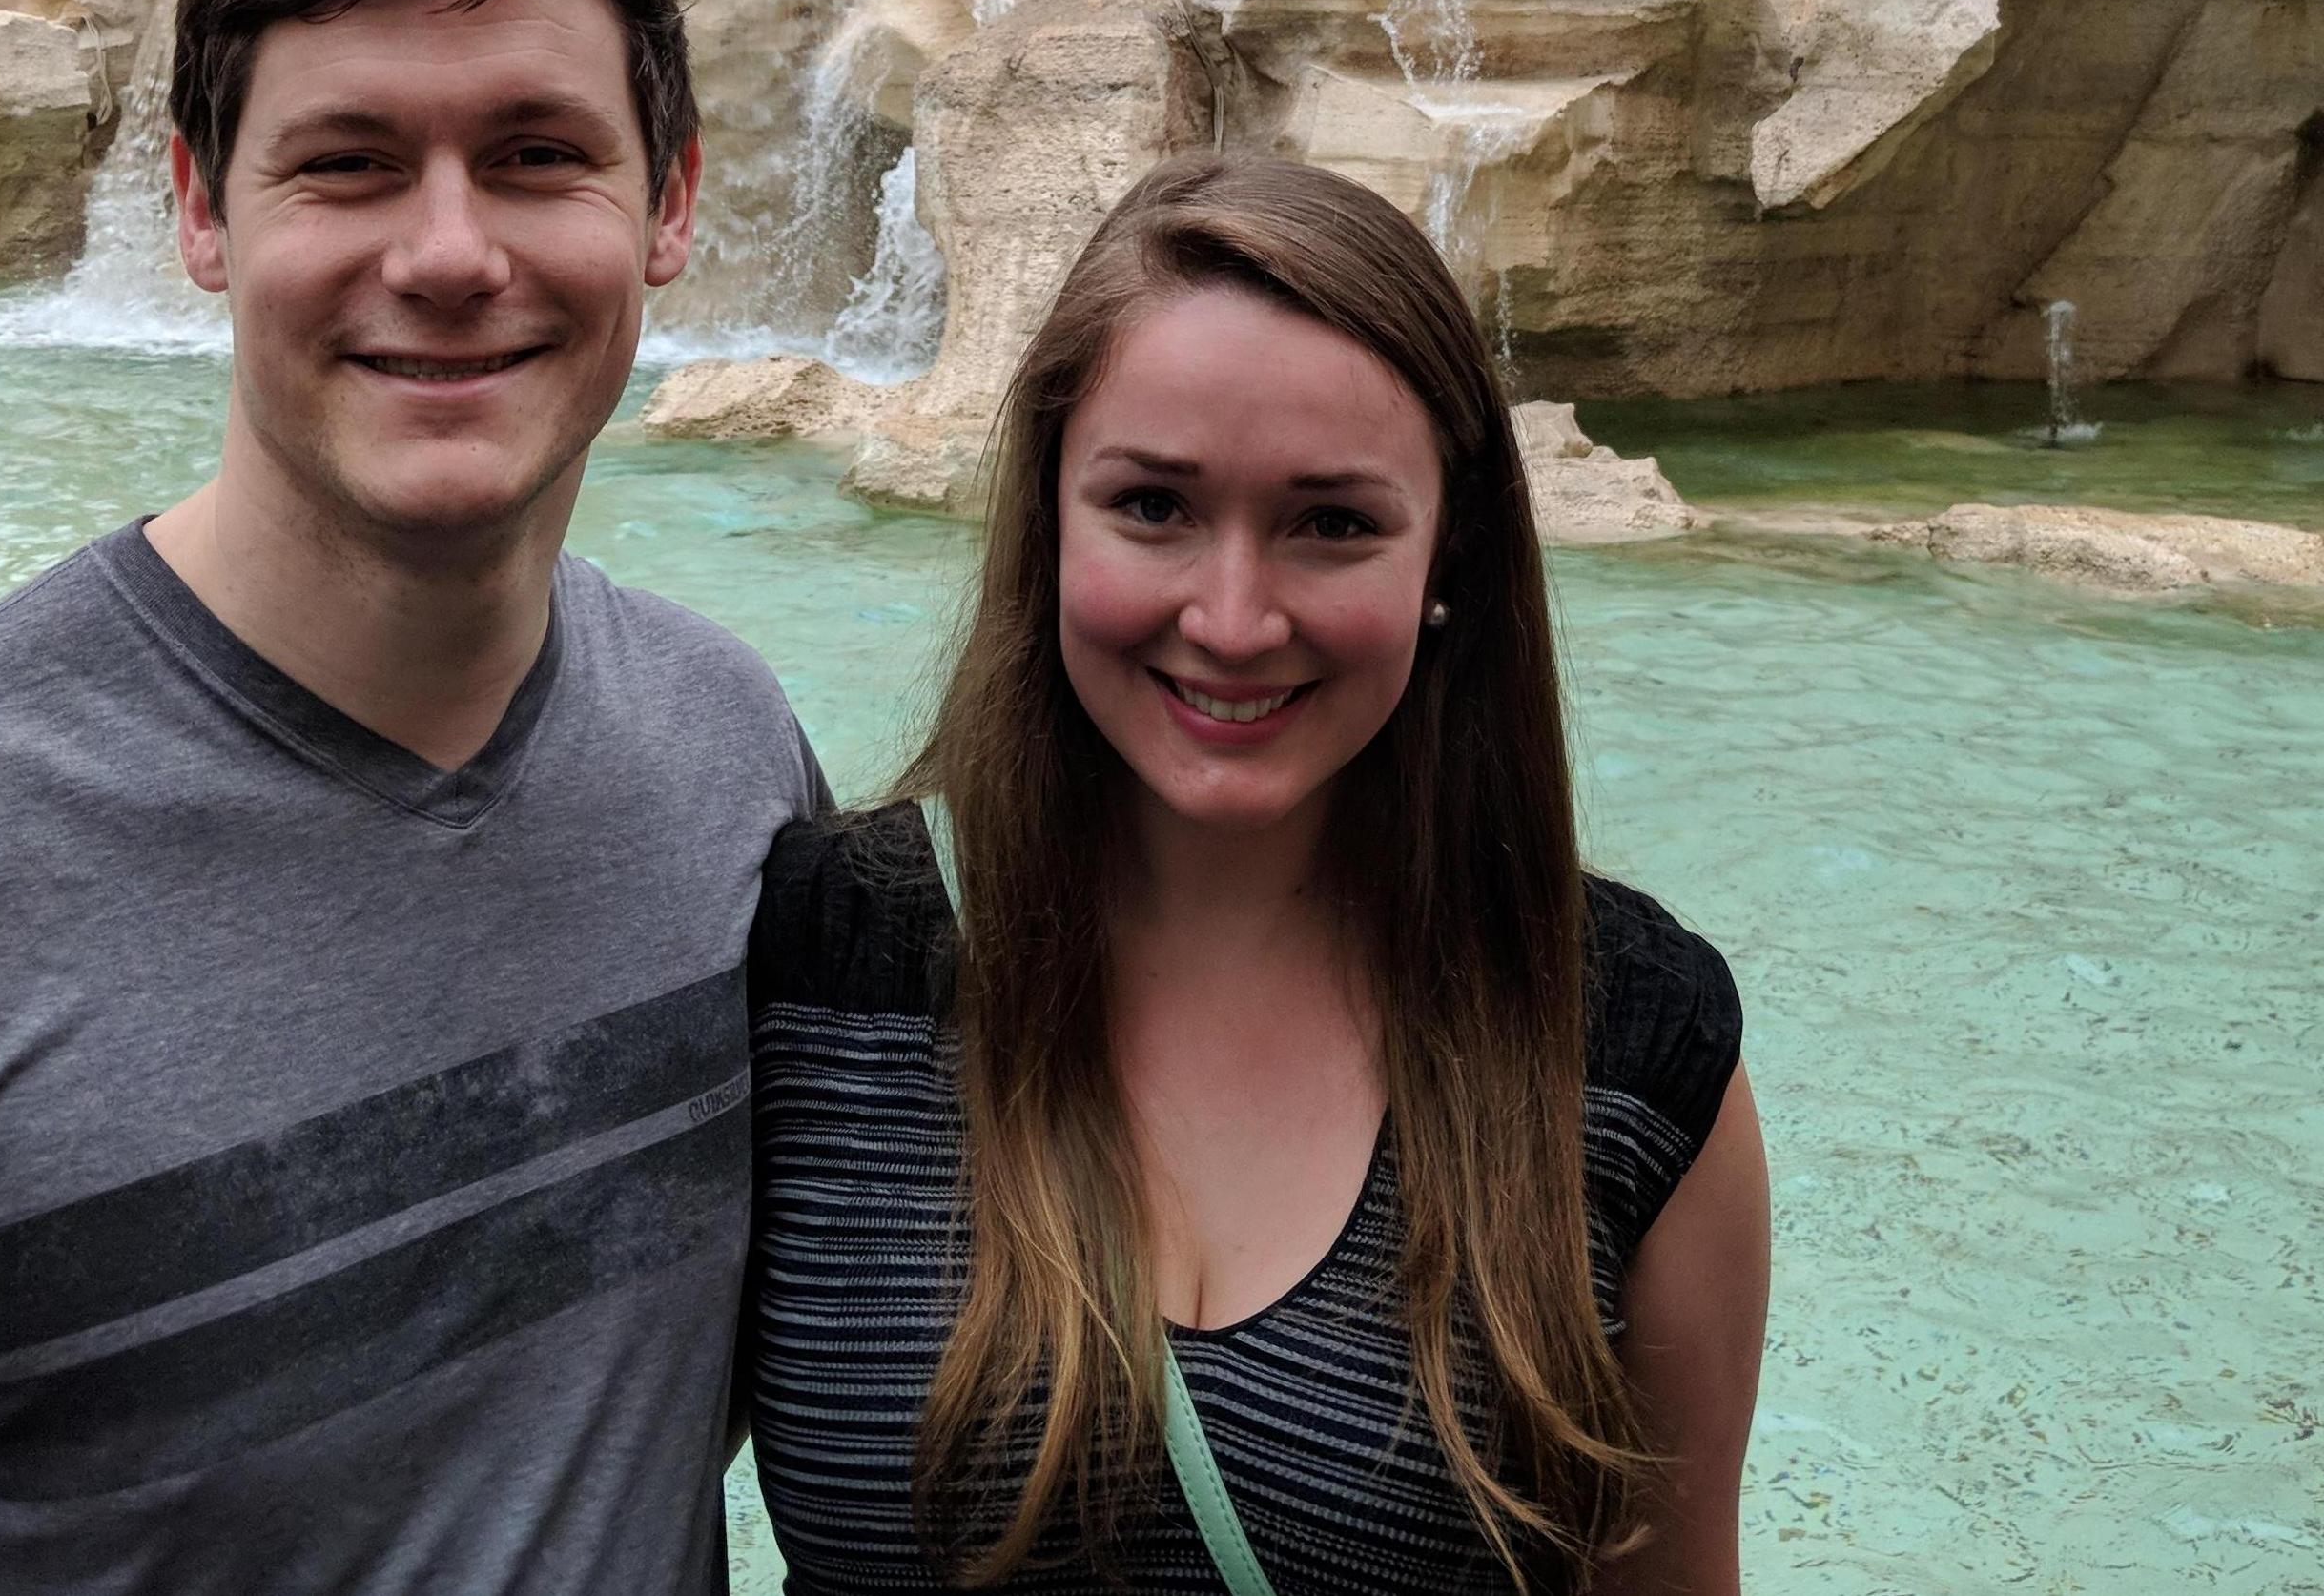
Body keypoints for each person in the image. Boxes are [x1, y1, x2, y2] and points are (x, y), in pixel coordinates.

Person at [0, 0, 827, 1593]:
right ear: (202, 210)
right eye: (348, 164)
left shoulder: (732, 753)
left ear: (670, 202)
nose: (449, 254)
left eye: (537, 154)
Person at [744, 153, 1769, 1589]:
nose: (1231, 618)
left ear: (1446, 552)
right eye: (1153, 505)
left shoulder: (1627, 1046)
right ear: (1048, 516)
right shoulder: (817, 954)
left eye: (1331, 521)